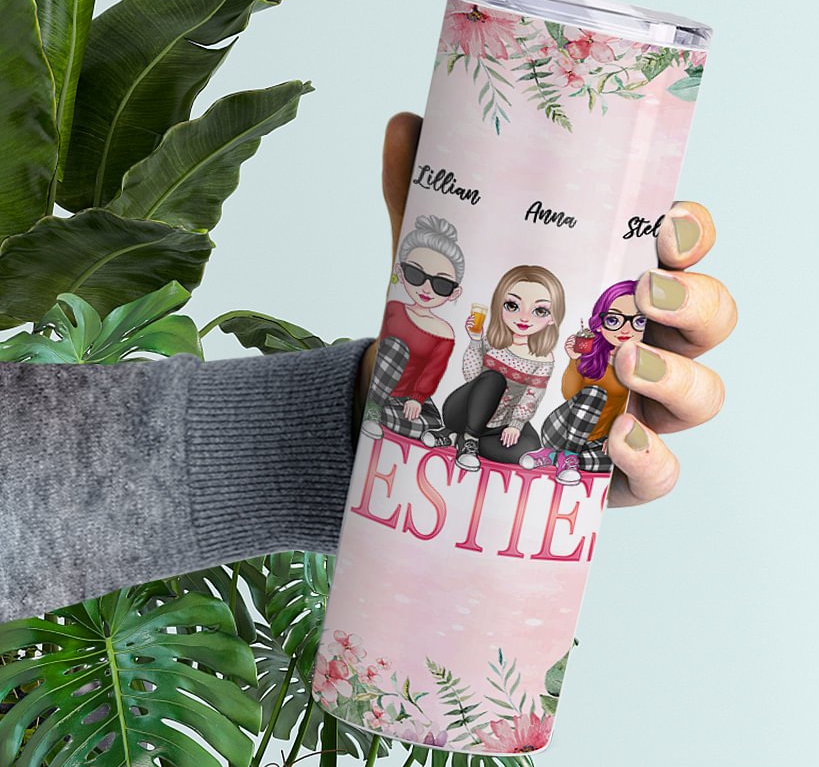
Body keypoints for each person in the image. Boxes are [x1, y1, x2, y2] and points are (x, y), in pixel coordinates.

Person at [0, 113, 737, 626]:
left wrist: (358, 439)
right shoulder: (483, 344)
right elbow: (476, 380)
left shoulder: (541, 355)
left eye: (444, 283)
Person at [424, 265, 565, 470]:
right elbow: (472, 376)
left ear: (552, 317)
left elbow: (532, 396)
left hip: (499, 423)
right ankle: (469, 437)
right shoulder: (494, 341)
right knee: (493, 378)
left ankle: (456, 439)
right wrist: (475, 341)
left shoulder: (543, 359)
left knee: (530, 447)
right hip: (465, 412)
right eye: (512, 305)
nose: (524, 317)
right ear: (500, 305)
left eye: (539, 311)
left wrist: (516, 425)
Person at [519, 279, 643, 485]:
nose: (626, 329)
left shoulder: (638, 368)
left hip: (594, 442)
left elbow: (626, 407)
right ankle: (567, 455)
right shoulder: (592, 354)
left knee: (619, 461)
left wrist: (615, 435)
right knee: (595, 393)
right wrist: (573, 360)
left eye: (638, 321)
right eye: (614, 320)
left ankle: (555, 458)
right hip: (562, 430)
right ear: (600, 324)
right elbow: (570, 393)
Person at [360, 214, 464, 441]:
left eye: (441, 284)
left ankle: (381, 416)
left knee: (432, 424)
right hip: (377, 388)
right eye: (415, 275)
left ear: (455, 292)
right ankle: (373, 409)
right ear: (400, 271)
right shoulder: (395, 309)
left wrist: (417, 398)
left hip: (405, 400)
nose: (426, 289)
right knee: (395, 347)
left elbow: (433, 371)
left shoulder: (444, 332)